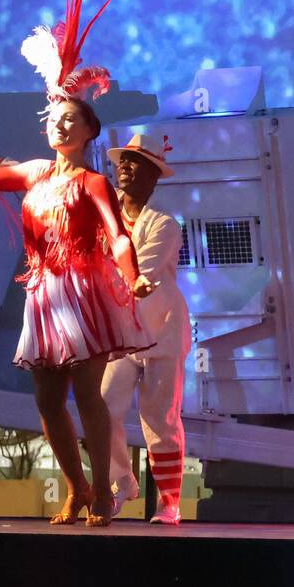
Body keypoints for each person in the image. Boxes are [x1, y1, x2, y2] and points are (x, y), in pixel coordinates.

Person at [0, 0, 154, 527]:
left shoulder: (94, 183)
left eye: (71, 119)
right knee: (48, 403)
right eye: (55, 118)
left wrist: (134, 274)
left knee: (88, 397)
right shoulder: (35, 173)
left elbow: (118, 234)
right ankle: (74, 488)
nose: (60, 125)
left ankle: (102, 490)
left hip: (86, 294)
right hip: (45, 294)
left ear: (88, 130)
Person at [101, 133, 193, 525]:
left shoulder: (165, 226)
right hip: (120, 337)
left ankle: (169, 501)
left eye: (135, 162)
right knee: (102, 407)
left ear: (154, 177)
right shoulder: (103, 218)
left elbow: (138, 276)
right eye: (123, 160)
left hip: (161, 332)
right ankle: (122, 482)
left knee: (160, 417)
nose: (124, 166)